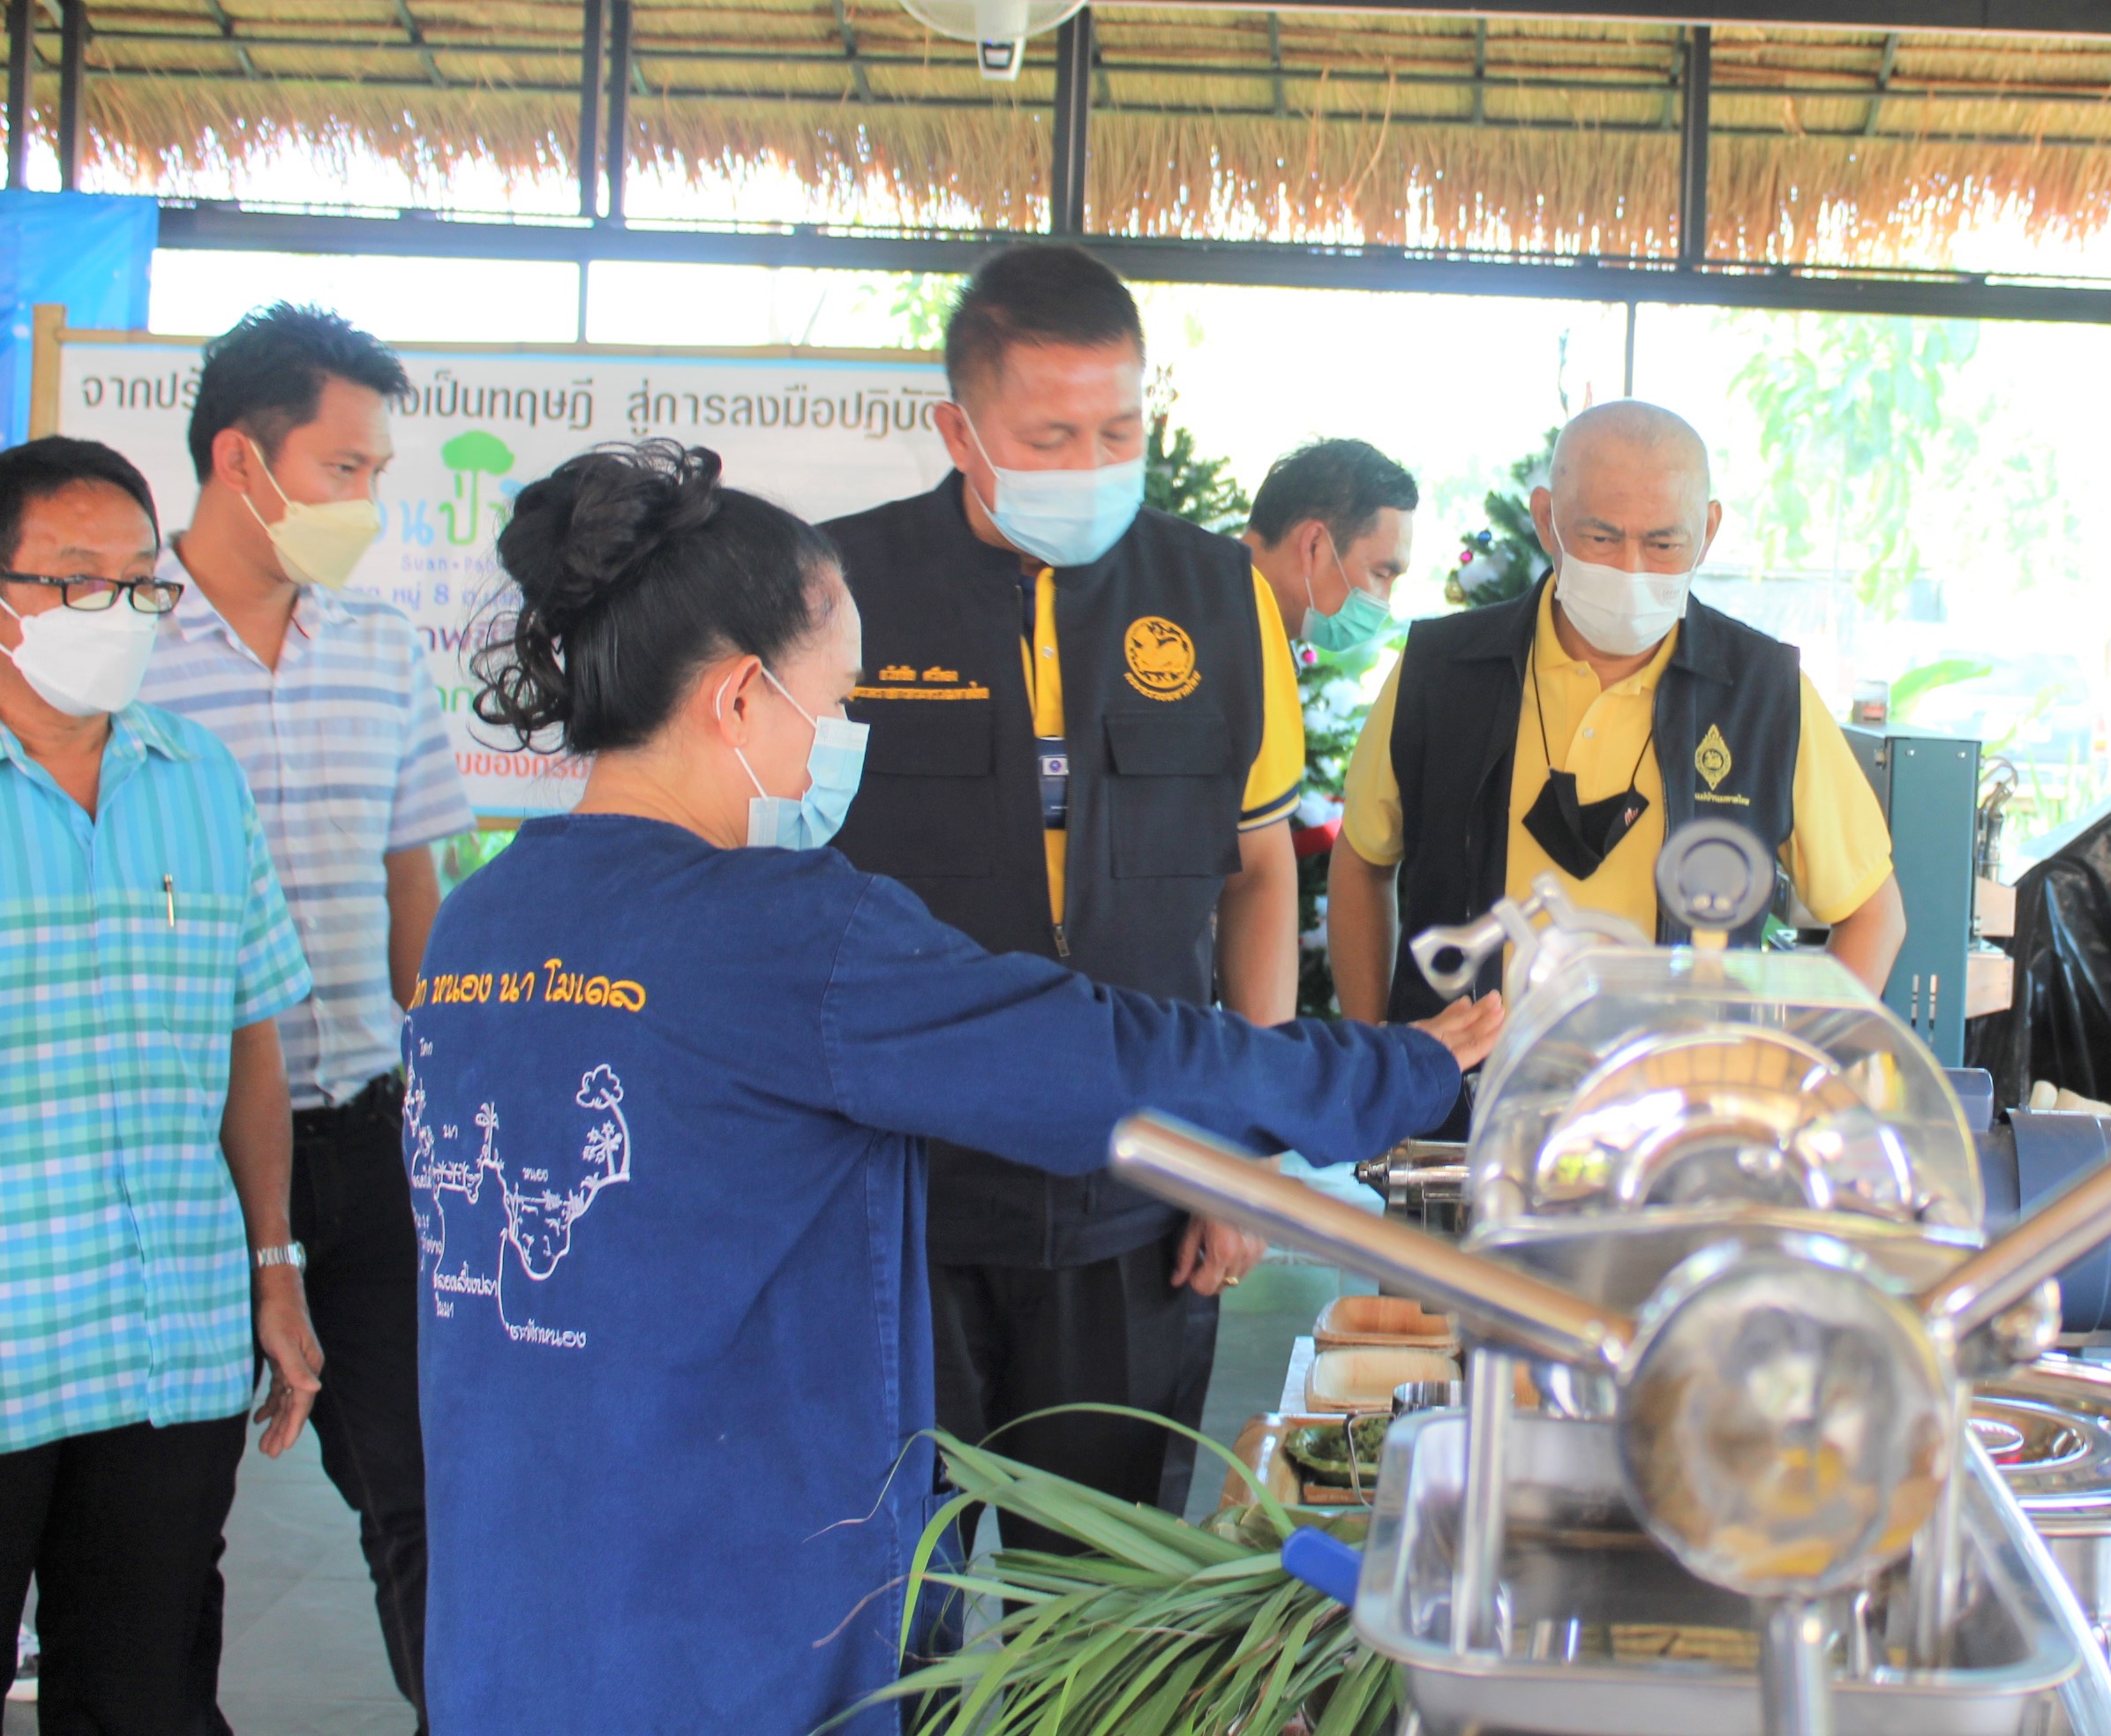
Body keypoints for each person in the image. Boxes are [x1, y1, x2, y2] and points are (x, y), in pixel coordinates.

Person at [408, 440, 1494, 1734]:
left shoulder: (482, 922)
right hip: (736, 1621)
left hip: (517, 1596)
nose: (847, 735)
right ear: (742, 698)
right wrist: (1405, 1065)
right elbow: (1110, 1060)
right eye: (842, 697)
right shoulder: (789, 935)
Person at [826, 244, 1302, 1517]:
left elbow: (1257, 876)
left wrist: (1242, 1157)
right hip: (897, 1194)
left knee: (1096, 1610)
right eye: (1050, 436)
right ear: (960, 428)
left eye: (1118, 429)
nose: (1092, 465)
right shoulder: (838, 589)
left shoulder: (1217, 597)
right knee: (889, 1604)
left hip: (1137, 1191)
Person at [141, 304, 471, 1726]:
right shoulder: (117, 654)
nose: (369, 503)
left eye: (379, 472)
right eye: (346, 469)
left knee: (431, 1507)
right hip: (174, 1167)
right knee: (154, 1545)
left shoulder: (386, 653)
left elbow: (423, 913)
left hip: (374, 1146)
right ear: (241, 459)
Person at [0, 437, 321, 1733]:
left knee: (142, 1694)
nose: (121, 614)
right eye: (80, 581)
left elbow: (251, 1034)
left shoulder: (197, 775)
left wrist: (274, 1267)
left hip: (164, 1338)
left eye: (144, 583)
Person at [1331, 400, 1908, 1025]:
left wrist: (1785, 1076)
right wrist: (1376, 1065)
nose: (1631, 569)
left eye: (1664, 543)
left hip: (1673, 1112)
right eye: (1601, 538)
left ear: (1708, 533)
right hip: (1460, 1107)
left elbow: (1874, 915)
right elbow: (1362, 859)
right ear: (1548, 520)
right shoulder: (1440, 674)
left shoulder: (1764, 696)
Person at [1240, 438, 1417, 651]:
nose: (1384, 603)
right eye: (1380, 574)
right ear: (1313, 546)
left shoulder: (1263, 645)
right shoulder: (1200, 636)